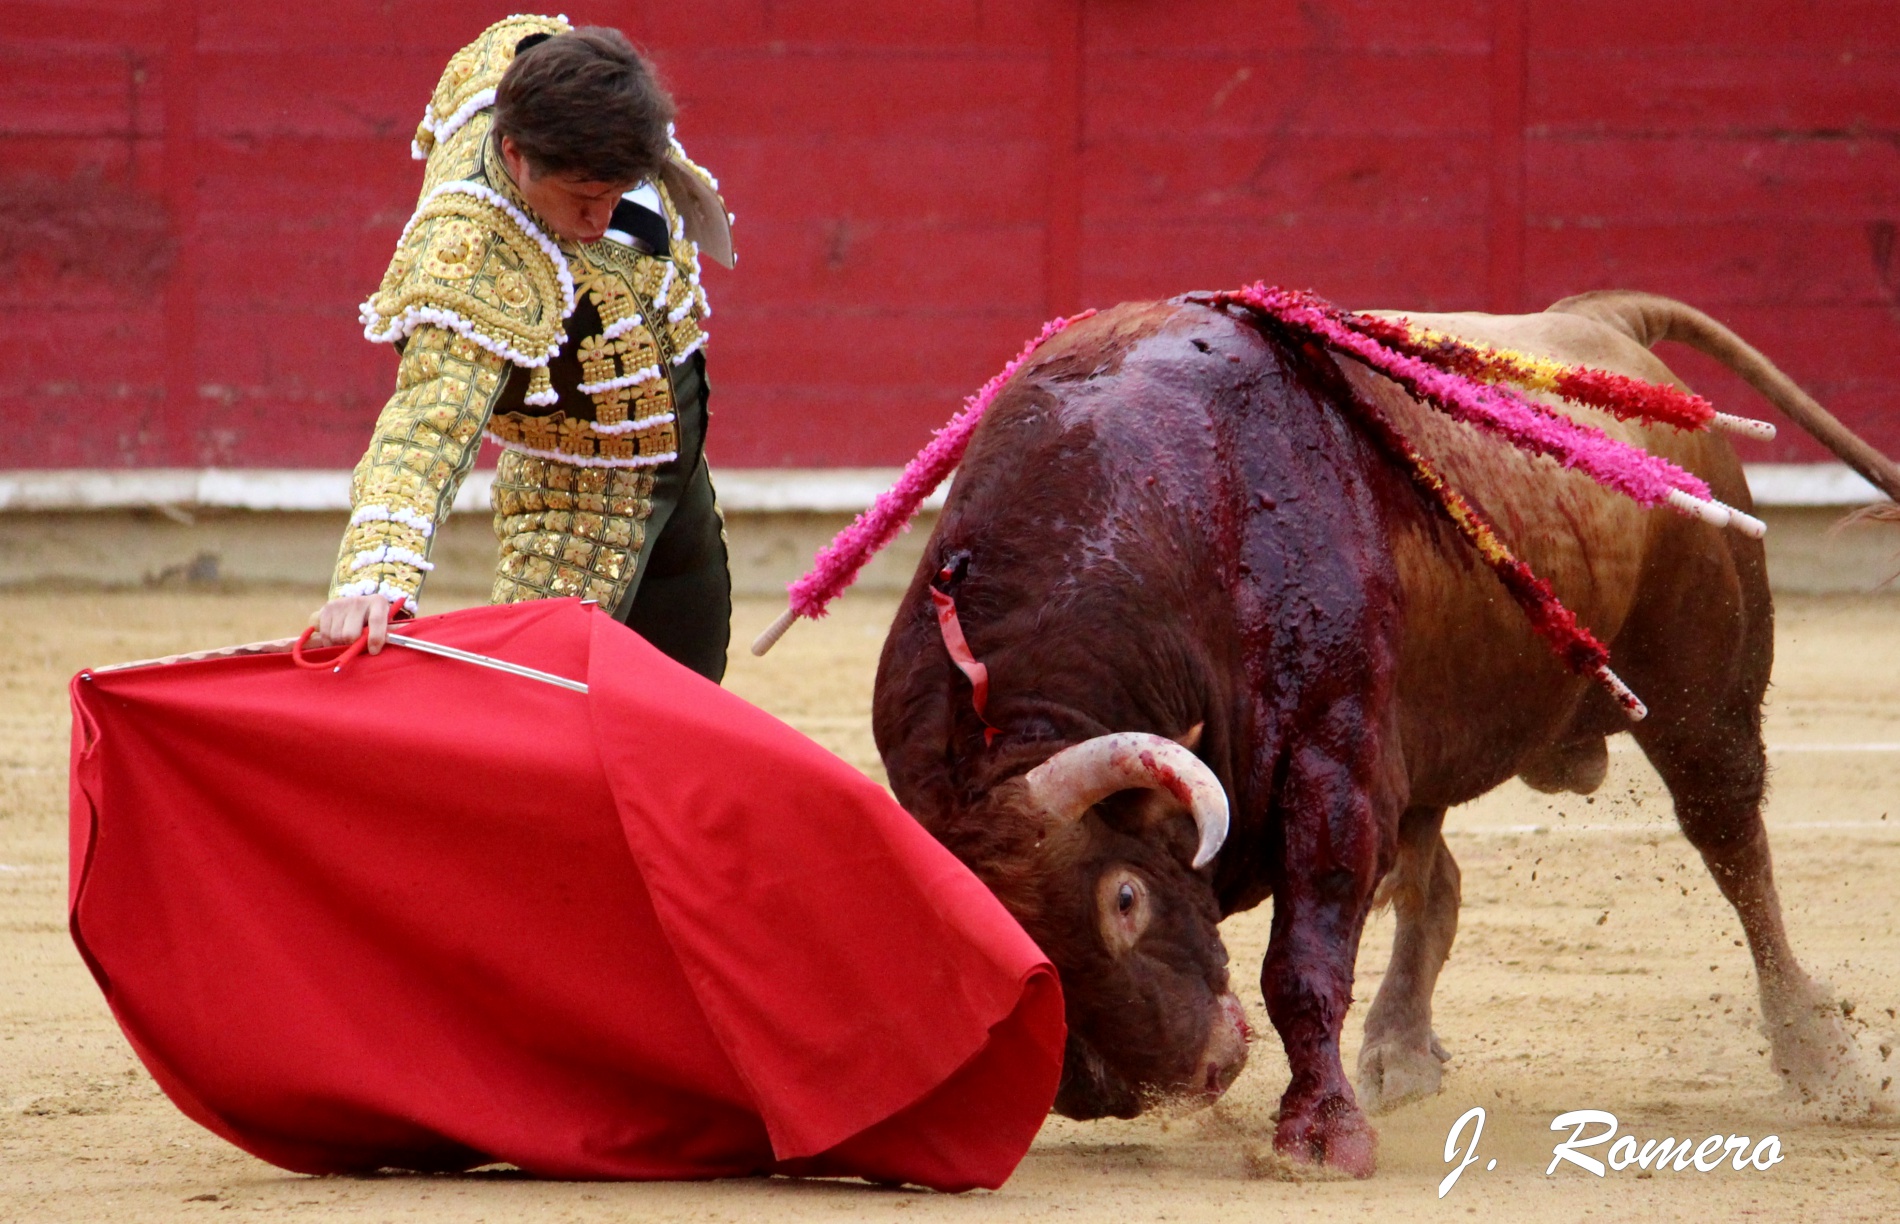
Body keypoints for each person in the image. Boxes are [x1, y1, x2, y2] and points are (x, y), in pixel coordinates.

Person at [312, 15, 736, 681]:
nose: (602, 221)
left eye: (621, 193)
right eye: (584, 199)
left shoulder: (555, 72)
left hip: (678, 461)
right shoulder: (473, 254)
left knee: (688, 697)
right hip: (575, 494)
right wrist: (376, 574)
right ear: (515, 156)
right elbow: (427, 426)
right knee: (540, 713)